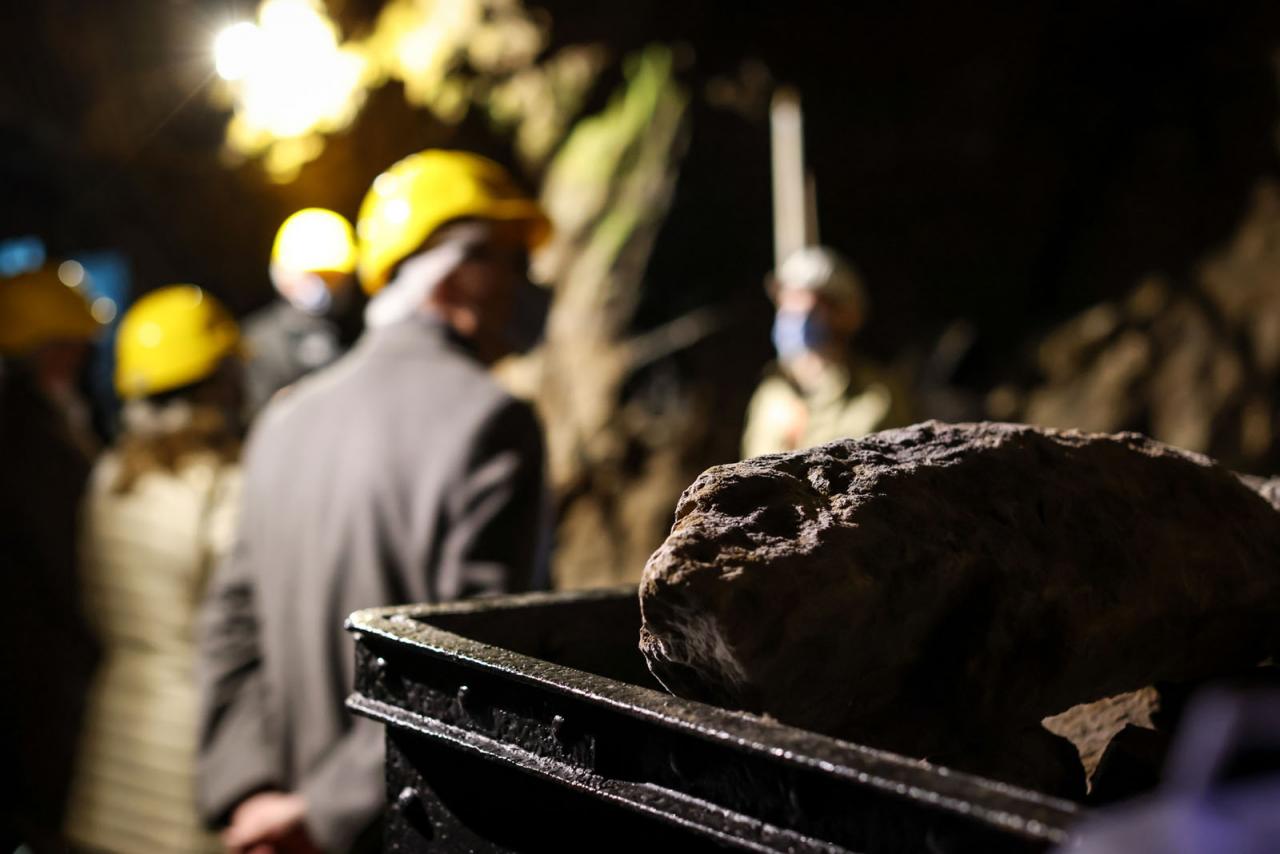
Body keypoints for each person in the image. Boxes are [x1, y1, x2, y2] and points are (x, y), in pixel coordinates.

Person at [198, 149, 552, 853]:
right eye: (511, 263)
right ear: (455, 274)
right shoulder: (494, 422)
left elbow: (232, 622)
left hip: (273, 828)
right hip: (400, 823)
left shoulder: (284, 418)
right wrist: (323, 814)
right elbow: (471, 669)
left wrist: (255, 792)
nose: (524, 288)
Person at [64, 285, 244, 853]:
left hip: (114, 729)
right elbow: (237, 621)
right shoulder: (224, 484)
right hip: (192, 746)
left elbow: (94, 601)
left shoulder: (112, 475)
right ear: (216, 380)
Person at [0, 267, 102, 851]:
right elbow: (64, 566)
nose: (83, 359)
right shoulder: (31, 441)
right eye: (75, 346)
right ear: (49, 351)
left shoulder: (34, 422)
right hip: (38, 678)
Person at [741, 246, 912, 458]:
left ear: (844, 314)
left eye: (805, 303)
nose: (791, 314)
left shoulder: (878, 396)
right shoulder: (771, 395)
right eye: (786, 303)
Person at [242, 207, 363, 419]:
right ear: (282, 275)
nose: (328, 285)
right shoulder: (258, 343)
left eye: (334, 276)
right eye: (316, 275)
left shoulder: (361, 328)